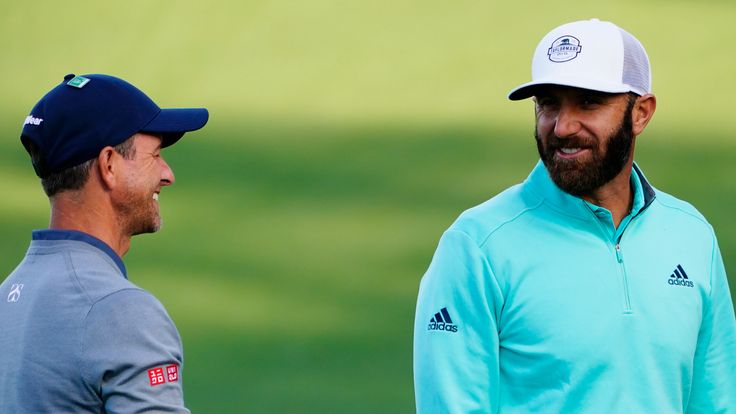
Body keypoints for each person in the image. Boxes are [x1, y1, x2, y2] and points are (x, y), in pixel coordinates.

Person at [414, 19, 736, 413]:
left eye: (588, 101)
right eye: (549, 103)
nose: (563, 126)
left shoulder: (691, 235)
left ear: (641, 113)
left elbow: (716, 402)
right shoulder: (477, 247)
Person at [0, 73, 208, 412]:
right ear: (108, 164)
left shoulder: (9, 296)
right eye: (154, 155)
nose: (167, 174)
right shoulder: (120, 311)